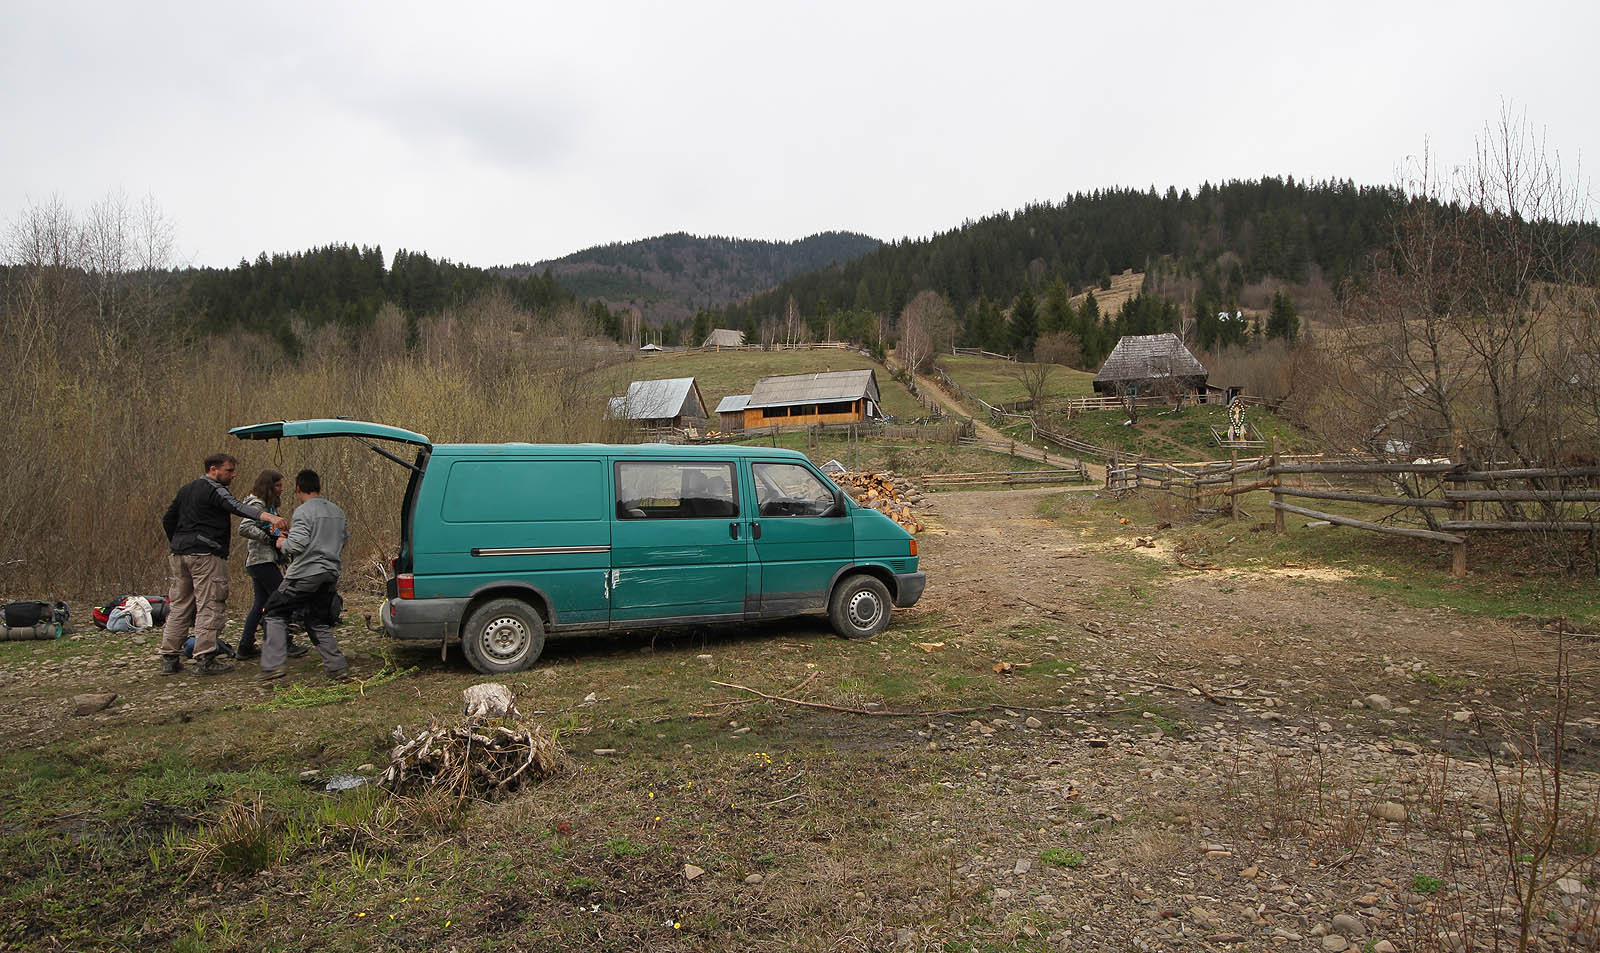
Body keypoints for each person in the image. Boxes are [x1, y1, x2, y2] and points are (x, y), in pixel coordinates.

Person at [160, 452, 287, 676]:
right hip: (205, 555)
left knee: (180, 605)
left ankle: (169, 657)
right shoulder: (213, 488)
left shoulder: (186, 490)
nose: (233, 475)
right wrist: (268, 518)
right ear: (213, 470)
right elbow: (235, 506)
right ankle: (206, 657)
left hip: (179, 555)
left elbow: (168, 519)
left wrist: (179, 542)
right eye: (229, 470)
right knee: (210, 603)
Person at [257, 469, 351, 683]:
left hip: (305, 574)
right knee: (316, 620)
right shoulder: (337, 511)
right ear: (319, 487)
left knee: (273, 611)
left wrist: (282, 543)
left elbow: (297, 544)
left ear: (298, 488)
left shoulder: (303, 511)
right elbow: (343, 539)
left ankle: (273, 666)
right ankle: (337, 668)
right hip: (330, 572)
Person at [235, 469, 306, 661]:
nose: (281, 489)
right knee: (281, 599)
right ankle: (282, 642)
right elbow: (245, 528)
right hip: (261, 560)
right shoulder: (257, 504)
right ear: (268, 486)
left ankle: (245, 646)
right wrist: (270, 538)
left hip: (262, 560)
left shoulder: (270, 505)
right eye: (277, 486)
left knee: (260, 604)